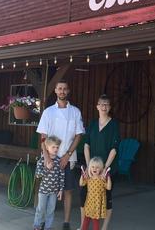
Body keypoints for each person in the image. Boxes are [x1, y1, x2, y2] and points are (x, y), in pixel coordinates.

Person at [37, 80, 85, 230]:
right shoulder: (48, 112)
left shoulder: (75, 111)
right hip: (50, 159)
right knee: (47, 191)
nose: (62, 91)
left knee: (68, 190)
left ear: (68, 91)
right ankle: (42, 221)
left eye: (65, 89)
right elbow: (43, 137)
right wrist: (46, 157)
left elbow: (78, 135)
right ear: (56, 91)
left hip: (68, 158)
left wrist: (67, 155)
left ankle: (66, 222)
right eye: (59, 89)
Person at [81, 95, 119, 230]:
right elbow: (86, 145)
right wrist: (89, 167)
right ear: (97, 106)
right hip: (92, 168)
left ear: (109, 107)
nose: (104, 107)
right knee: (87, 196)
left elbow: (114, 149)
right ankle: (83, 226)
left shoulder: (114, 125)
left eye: (107, 104)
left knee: (106, 198)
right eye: (101, 104)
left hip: (107, 168)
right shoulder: (92, 124)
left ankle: (104, 228)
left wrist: (105, 168)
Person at [34, 135, 64, 230]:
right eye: (53, 147)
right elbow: (38, 175)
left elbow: (61, 176)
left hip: (54, 192)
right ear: (47, 148)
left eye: (57, 147)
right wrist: (47, 168)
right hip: (43, 191)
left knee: (51, 210)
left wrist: (61, 190)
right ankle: (37, 225)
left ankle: (48, 227)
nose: (56, 149)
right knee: (41, 209)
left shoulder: (59, 160)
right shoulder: (42, 160)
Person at [79, 157, 111, 230]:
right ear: (90, 168)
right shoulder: (89, 178)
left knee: (95, 222)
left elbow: (108, 187)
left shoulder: (102, 179)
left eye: (97, 167)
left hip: (97, 204)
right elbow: (81, 184)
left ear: (101, 169)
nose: (94, 169)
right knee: (86, 220)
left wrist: (108, 177)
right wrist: (82, 175)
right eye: (92, 167)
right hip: (89, 203)